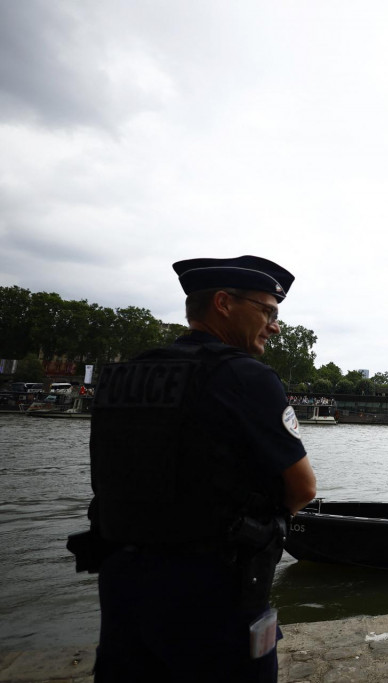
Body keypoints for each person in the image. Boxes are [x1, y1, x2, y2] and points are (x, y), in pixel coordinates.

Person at [71, 255, 317, 682]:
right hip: (213, 589)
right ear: (224, 303)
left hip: (122, 580)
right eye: (267, 311)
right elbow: (303, 488)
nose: (275, 326)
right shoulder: (247, 377)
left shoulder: (127, 373)